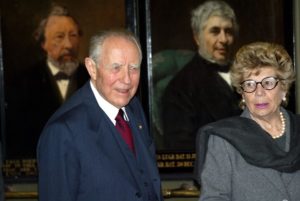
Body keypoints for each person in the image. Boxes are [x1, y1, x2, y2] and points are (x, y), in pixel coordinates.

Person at [37, 30, 163, 201]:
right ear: (92, 68)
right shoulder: (62, 132)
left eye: (133, 68)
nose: (127, 79)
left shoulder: (133, 108)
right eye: (116, 67)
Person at [194, 42, 300, 201]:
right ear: (242, 94)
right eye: (249, 84)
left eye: (268, 83)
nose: (259, 92)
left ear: (283, 88)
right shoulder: (224, 140)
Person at [6, 5, 89, 158]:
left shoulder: (93, 79)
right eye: (59, 36)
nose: (68, 45)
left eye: (73, 35)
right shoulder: (23, 84)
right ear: (43, 43)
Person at [161, 0, 241, 150]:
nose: (223, 39)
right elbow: (180, 148)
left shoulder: (247, 75)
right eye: (215, 31)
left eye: (228, 31)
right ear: (197, 37)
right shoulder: (180, 88)